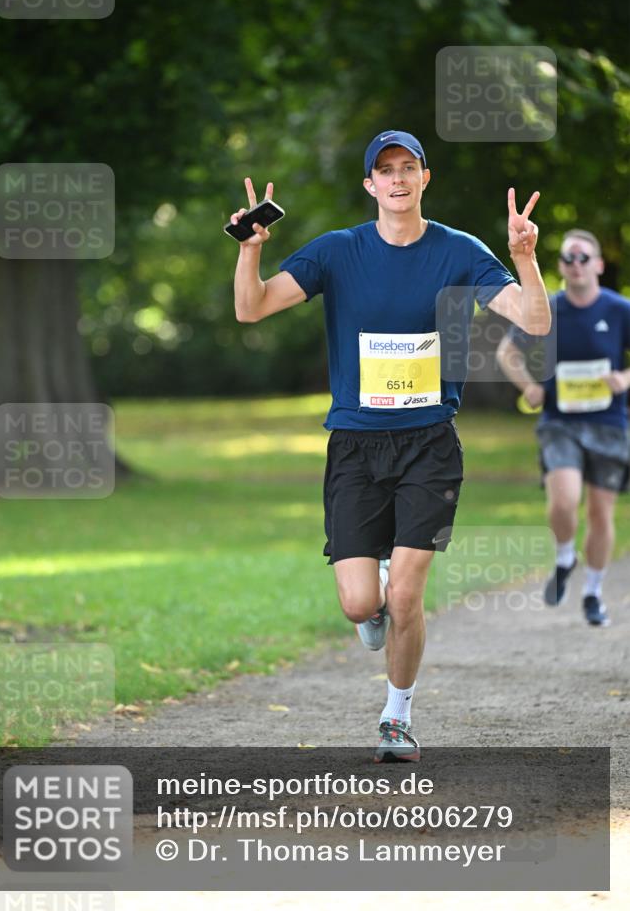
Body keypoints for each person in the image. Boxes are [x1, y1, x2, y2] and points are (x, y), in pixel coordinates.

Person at [231, 130, 550, 761]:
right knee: (361, 605)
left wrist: (526, 257)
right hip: (354, 446)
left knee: (406, 596)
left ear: (424, 179)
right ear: (370, 185)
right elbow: (252, 308)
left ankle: (396, 717)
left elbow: (536, 320)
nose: (398, 179)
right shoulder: (337, 251)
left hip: (430, 444)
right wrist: (250, 250)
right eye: (385, 170)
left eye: (409, 168)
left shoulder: (460, 251)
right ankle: (373, 589)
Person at [497, 229, 630, 627]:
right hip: (560, 422)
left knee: (602, 513)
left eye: (583, 257)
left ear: (599, 265)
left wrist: (625, 379)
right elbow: (507, 351)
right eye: (568, 258)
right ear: (560, 267)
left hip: (608, 424)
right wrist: (530, 388)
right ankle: (565, 555)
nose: (575, 265)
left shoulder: (618, 309)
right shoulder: (548, 310)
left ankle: (592, 590)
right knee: (563, 500)